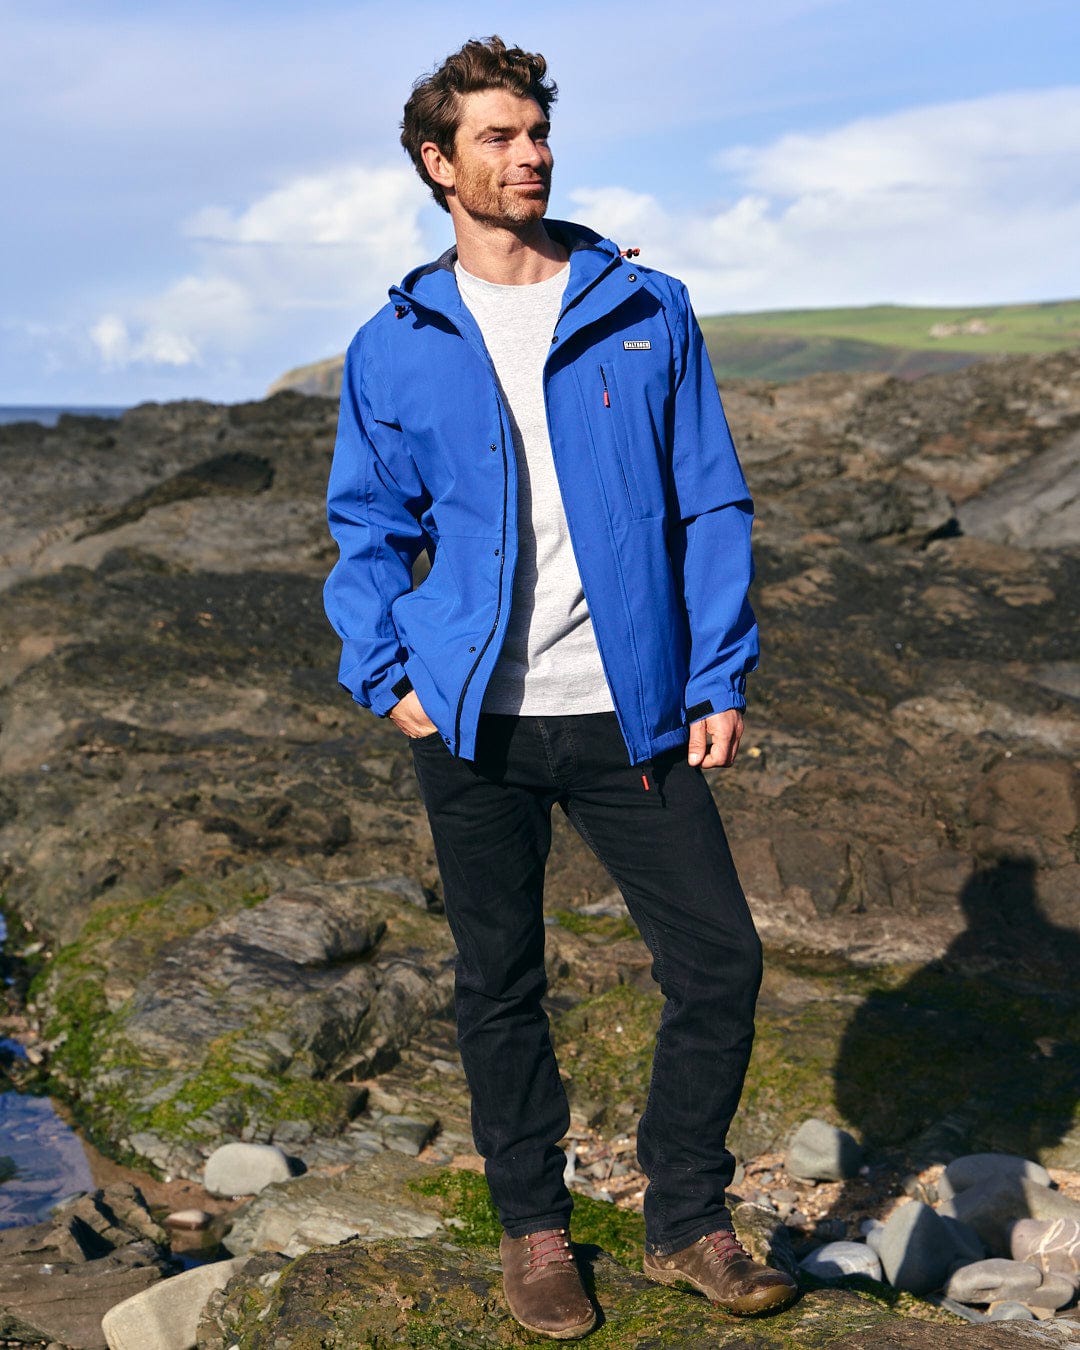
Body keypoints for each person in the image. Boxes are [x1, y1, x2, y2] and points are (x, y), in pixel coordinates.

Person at [323, 35, 797, 1338]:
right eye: (497, 136)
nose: (529, 154)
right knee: (501, 979)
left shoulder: (645, 306)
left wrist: (718, 667)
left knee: (718, 960)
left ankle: (687, 1216)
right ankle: (537, 1230)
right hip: (470, 722)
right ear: (438, 162)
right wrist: (390, 676)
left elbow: (710, 494)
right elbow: (365, 528)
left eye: (537, 132)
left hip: (629, 708)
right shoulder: (394, 343)